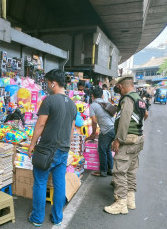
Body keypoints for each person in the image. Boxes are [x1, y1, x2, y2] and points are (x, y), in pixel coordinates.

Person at [28, 69, 77, 227]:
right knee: (59, 184)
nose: (48, 85)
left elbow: (40, 124)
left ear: (53, 83)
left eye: (48, 83)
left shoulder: (49, 100)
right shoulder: (73, 105)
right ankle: (57, 217)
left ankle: (37, 218)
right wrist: (66, 147)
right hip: (63, 150)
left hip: (47, 150)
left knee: (40, 183)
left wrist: (32, 144)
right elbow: (71, 132)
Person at [104, 75, 147, 215]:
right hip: (138, 139)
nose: (118, 90)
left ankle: (121, 203)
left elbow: (124, 120)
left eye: (118, 87)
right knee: (131, 170)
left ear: (121, 86)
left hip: (128, 141)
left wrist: (118, 139)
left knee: (119, 171)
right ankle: (130, 199)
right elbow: (145, 115)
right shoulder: (139, 98)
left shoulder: (128, 99)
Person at [86, 87, 115, 177]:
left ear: (92, 96)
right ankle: (110, 169)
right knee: (107, 150)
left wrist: (93, 133)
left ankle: (103, 171)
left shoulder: (93, 105)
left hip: (106, 130)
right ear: (102, 95)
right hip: (114, 128)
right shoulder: (106, 102)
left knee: (102, 150)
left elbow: (94, 121)